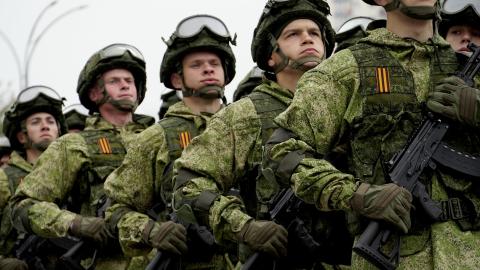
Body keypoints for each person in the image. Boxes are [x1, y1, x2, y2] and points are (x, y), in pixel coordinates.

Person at [263, 0, 480, 268]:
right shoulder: (346, 70)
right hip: (392, 257)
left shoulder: (469, 69)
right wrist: (358, 195)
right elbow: (283, 152)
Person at [172, 0, 337, 267]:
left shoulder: (347, 105)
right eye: (293, 34)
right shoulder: (245, 114)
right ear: (271, 55)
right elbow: (189, 187)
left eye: (314, 33)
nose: (307, 39)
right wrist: (244, 227)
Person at [104, 14, 238, 269]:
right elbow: (117, 211)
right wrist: (151, 231)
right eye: (196, 65)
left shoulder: (246, 127)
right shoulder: (156, 138)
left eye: (214, 63)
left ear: (226, 72)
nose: (208, 68)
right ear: (177, 79)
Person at [10, 43, 155, 270]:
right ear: (95, 93)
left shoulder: (158, 139)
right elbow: (23, 206)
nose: (125, 85)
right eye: (114, 81)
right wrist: (77, 224)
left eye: (130, 81)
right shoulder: (74, 145)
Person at [0, 85, 66, 270]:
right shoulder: (5, 178)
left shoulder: (74, 176)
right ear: (22, 137)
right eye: (35, 122)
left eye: (51, 121)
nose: (45, 125)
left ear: (59, 132)